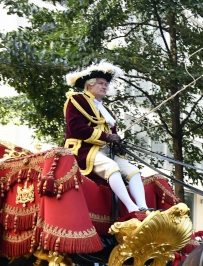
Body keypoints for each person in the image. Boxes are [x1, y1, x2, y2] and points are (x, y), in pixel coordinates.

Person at [63, 61, 152, 220]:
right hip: (85, 150)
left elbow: (112, 134)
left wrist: (117, 144)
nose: (105, 87)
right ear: (89, 85)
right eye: (101, 83)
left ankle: (143, 207)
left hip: (106, 151)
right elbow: (76, 128)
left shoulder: (106, 110)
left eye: (106, 84)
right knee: (111, 167)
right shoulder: (76, 100)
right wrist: (106, 137)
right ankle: (131, 207)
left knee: (133, 171)